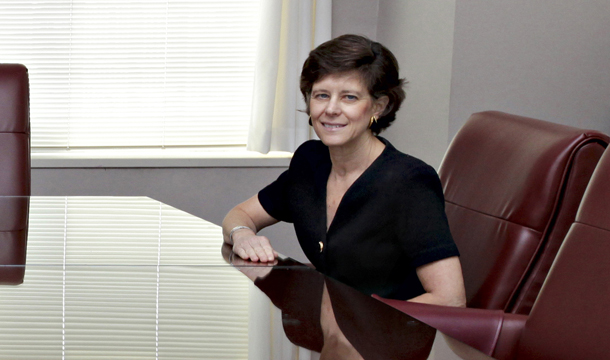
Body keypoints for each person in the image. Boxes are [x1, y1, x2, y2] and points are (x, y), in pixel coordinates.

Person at [222, 34, 466, 307]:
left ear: (378, 106)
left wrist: (365, 321)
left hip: (388, 339)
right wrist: (242, 234)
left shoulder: (409, 181)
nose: (331, 109)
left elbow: (450, 299)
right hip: (328, 333)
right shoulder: (311, 161)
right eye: (321, 95)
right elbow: (240, 214)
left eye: (349, 97)